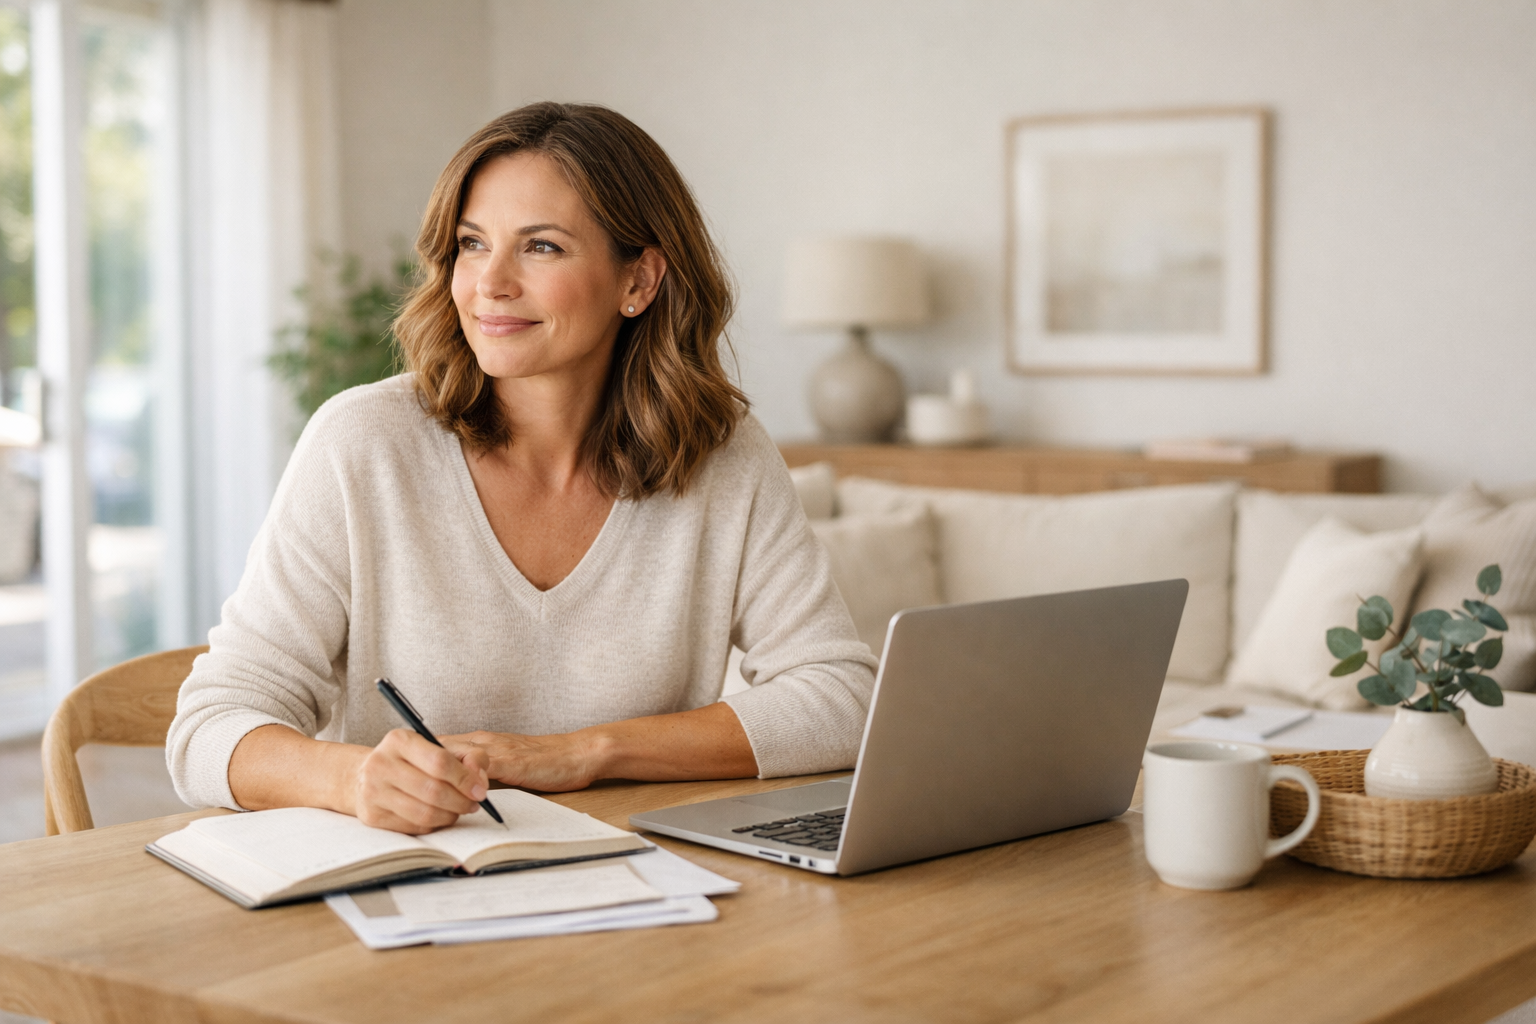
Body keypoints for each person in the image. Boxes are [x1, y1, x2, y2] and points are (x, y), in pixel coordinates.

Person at [166, 102, 877, 835]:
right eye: (473, 244)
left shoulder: (723, 455)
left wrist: (586, 753)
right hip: (412, 894)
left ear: (639, 281)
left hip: (647, 890)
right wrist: (353, 779)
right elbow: (208, 729)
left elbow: (841, 700)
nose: (491, 284)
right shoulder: (362, 444)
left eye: (541, 247)